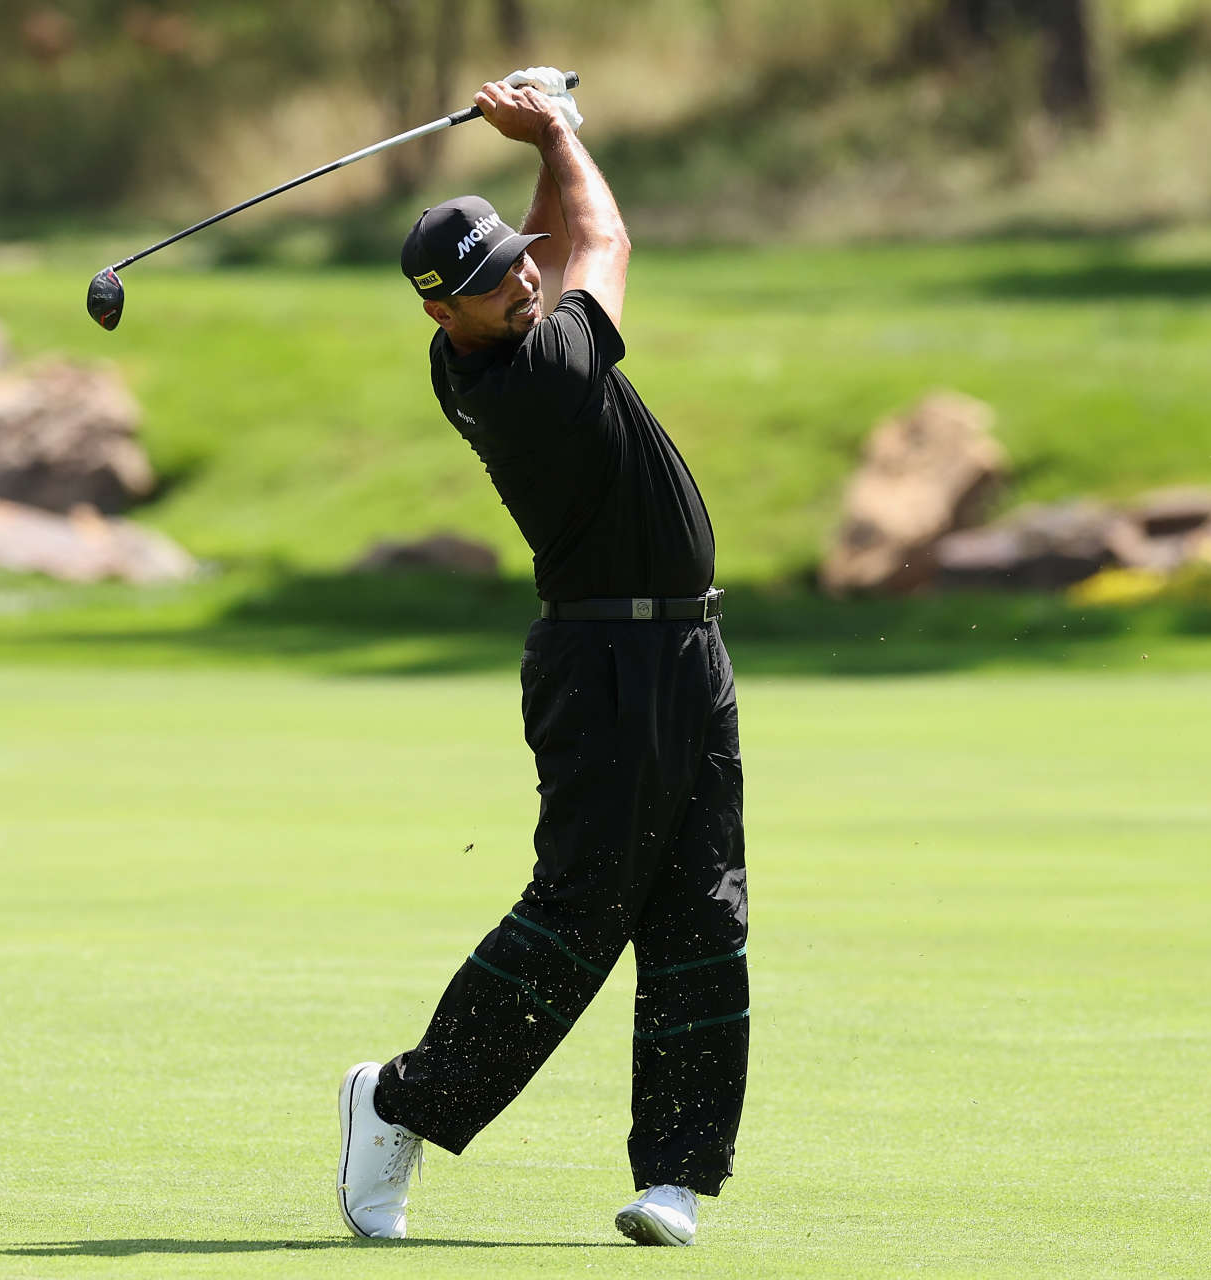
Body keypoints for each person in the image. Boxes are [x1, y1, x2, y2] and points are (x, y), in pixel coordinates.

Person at [334, 75, 749, 1249]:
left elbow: (556, 238)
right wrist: (558, 128)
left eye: (516, 262)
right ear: (443, 319)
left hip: (684, 649)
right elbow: (601, 237)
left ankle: (676, 1175)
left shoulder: (496, 333)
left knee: (703, 909)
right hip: (605, 659)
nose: (520, 279)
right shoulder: (541, 378)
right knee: (583, 912)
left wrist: (530, 150)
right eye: (488, 282)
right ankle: (397, 1100)